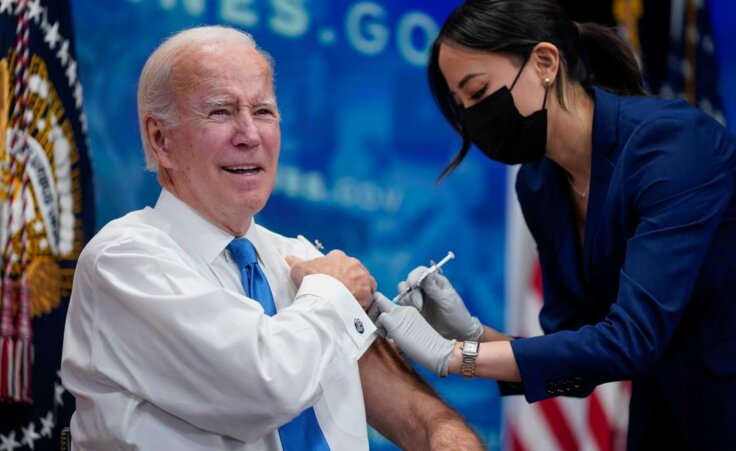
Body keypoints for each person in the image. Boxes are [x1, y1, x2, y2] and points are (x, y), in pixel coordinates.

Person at [60, 25, 484, 450]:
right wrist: (334, 292)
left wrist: (448, 434)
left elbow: (412, 412)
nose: (250, 135)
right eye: (221, 112)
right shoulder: (124, 259)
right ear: (161, 139)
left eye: (263, 111)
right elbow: (265, 386)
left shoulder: (297, 259)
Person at [372, 1, 736, 450]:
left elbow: (632, 339)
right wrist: (472, 335)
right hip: (664, 419)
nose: (473, 118)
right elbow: (579, 351)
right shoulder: (540, 183)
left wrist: (457, 358)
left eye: (479, 92)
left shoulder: (673, 145)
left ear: (545, 62)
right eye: (462, 106)